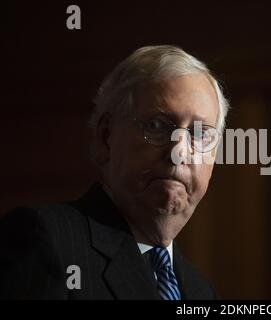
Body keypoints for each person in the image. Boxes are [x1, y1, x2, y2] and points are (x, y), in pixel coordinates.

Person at [0, 45, 229, 299]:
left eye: (199, 134)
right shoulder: (46, 240)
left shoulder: (202, 292)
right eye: (156, 125)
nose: (179, 152)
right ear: (106, 137)